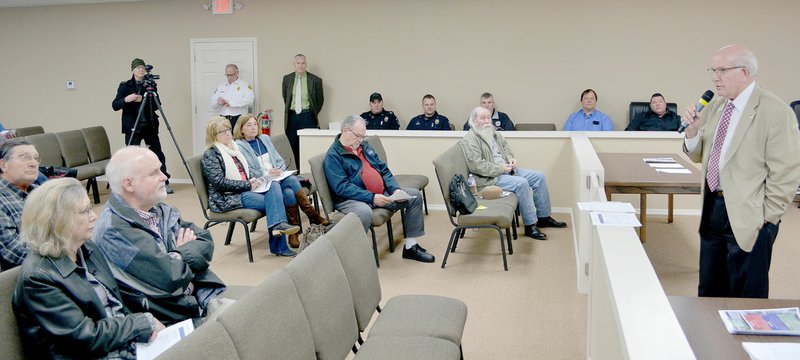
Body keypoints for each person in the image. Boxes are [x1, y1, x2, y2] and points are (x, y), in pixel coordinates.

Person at [681, 44, 800, 299]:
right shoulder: (716, 106)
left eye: (722, 70)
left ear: (745, 72)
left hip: (751, 214)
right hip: (713, 207)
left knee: (747, 295)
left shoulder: (775, 111)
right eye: (713, 70)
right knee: (710, 291)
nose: (714, 77)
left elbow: (787, 171)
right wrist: (692, 132)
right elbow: (701, 154)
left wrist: (769, 217)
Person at [13, 178, 165, 359]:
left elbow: (115, 304)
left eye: (90, 208)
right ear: (57, 220)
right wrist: (141, 323)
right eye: (85, 211)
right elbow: (83, 338)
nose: (94, 216)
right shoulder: (38, 277)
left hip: (115, 342)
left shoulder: (86, 247)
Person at [93, 146, 226, 325]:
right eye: (154, 173)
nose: (164, 176)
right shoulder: (114, 230)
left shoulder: (156, 209)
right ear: (129, 184)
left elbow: (205, 241)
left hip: (199, 296)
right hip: (171, 317)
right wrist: (182, 252)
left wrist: (176, 256)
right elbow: (170, 277)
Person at [323, 115, 434, 263]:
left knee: (413, 196)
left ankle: (410, 247)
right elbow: (342, 187)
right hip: (351, 199)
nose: (361, 140)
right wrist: (372, 197)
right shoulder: (333, 155)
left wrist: (394, 190)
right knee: (364, 212)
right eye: (358, 136)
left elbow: (383, 170)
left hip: (380, 194)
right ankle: (354, 257)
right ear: (345, 131)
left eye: (363, 136)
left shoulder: (364, 146)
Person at [460, 107, 566, 240]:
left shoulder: (493, 133)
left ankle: (543, 217)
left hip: (507, 170)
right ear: (474, 121)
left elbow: (506, 147)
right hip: (489, 178)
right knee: (522, 183)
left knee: (539, 176)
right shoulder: (470, 140)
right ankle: (530, 225)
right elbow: (477, 167)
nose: (487, 121)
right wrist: (501, 168)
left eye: (489, 117)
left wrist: (510, 158)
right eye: (483, 118)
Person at [202, 116, 300, 256]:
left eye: (228, 129)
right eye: (222, 132)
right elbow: (220, 184)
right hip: (227, 198)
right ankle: (279, 243)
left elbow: (246, 172)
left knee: (273, 185)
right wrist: (248, 185)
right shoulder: (211, 154)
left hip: (245, 189)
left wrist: (256, 180)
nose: (228, 133)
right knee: (276, 200)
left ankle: (279, 231)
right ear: (214, 136)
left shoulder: (233, 149)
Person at [233, 114, 330, 248]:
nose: (253, 128)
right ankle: (312, 215)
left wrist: (278, 169)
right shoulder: (239, 146)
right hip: (261, 183)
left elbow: (279, 160)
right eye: (248, 125)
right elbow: (248, 170)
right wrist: (268, 173)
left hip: (277, 177)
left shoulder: (264, 139)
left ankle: (294, 233)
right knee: (291, 182)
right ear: (241, 129)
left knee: (290, 192)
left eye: (255, 124)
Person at [112, 57, 173, 194]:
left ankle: (164, 182)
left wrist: (147, 97)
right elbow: (115, 105)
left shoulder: (150, 85)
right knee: (131, 156)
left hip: (149, 124)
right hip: (132, 125)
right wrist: (126, 100)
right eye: (138, 68)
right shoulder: (125, 86)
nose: (140, 70)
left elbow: (157, 106)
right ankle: (130, 184)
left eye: (142, 68)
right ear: (133, 70)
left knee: (157, 154)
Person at [0, 138, 39, 271]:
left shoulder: (42, 192)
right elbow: (13, 251)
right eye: (24, 158)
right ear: (3, 165)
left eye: (36, 158)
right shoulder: (2, 199)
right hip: (25, 275)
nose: (33, 163)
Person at [282, 54, 324, 170]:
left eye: (303, 63)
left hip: (308, 116)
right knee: (292, 146)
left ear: (306, 64)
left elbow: (319, 101)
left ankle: (308, 172)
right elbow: (285, 98)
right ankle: (296, 172)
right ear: (294, 64)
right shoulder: (287, 79)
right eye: (298, 63)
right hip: (292, 117)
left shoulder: (315, 80)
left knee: (308, 145)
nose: (300, 65)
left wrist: (310, 112)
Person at [210, 64, 255, 128]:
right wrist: (217, 102)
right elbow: (212, 103)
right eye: (227, 75)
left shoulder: (245, 85)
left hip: (239, 119)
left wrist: (231, 103)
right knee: (223, 137)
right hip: (223, 119)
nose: (229, 77)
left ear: (237, 73)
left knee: (238, 138)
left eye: (231, 75)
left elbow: (250, 101)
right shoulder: (221, 86)